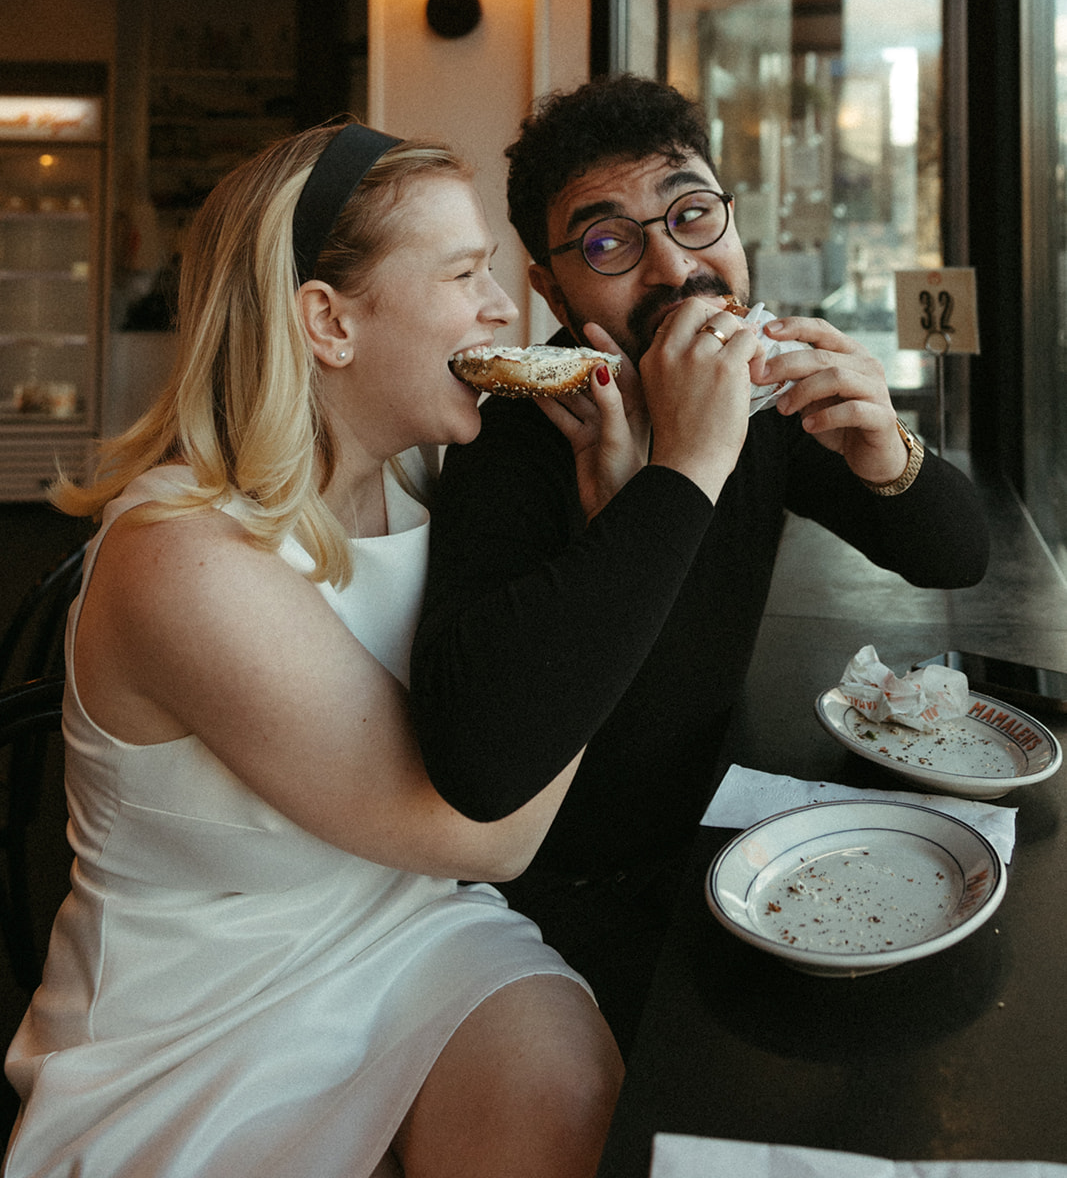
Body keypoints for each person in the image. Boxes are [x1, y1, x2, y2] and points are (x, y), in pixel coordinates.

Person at [3, 121, 623, 1178]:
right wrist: (631, 539)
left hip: (412, 934)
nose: (501, 311)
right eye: (466, 273)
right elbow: (480, 836)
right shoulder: (179, 557)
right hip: (197, 1025)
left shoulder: (429, 489)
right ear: (328, 321)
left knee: (563, 1085)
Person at [408, 74, 991, 1055]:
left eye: (692, 213)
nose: (675, 267)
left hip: (720, 844)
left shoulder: (763, 392)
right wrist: (677, 473)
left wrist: (890, 453)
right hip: (537, 912)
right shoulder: (512, 430)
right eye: (606, 242)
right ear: (551, 287)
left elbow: (952, 554)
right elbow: (479, 753)